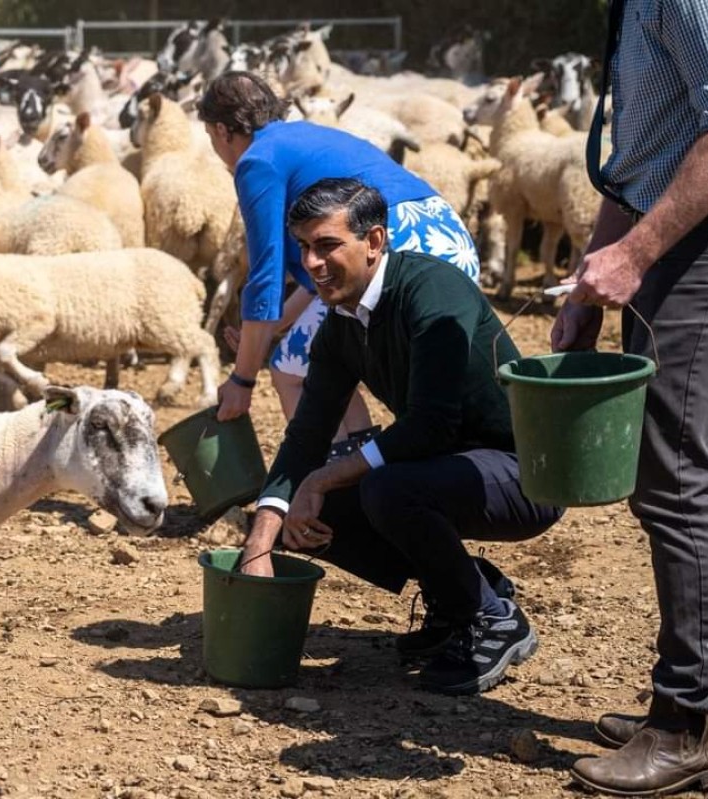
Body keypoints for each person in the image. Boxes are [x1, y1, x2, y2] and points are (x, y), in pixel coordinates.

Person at [239, 178, 564, 695]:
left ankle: (491, 618)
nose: (313, 263)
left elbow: (432, 423)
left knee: (384, 490)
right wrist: (259, 545)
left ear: (373, 242)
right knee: (300, 506)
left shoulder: (432, 291)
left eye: (327, 245)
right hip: (448, 465)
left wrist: (325, 477)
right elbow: (306, 436)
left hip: (526, 473)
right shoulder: (343, 322)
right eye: (304, 248)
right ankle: (460, 589)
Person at [556, 0, 708, 794]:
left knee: (678, 485)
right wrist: (592, 277)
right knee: (696, 482)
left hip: (702, 251)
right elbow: (642, 158)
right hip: (671, 244)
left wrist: (639, 254)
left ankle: (686, 722)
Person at [198, 72, 480, 425]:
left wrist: (242, 379)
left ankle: (335, 475)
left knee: (292, 370)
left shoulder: (257, 161)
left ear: (222, 131)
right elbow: (326, 267)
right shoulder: (305, 136)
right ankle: (359, 464)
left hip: (392, 245)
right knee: (334, 359)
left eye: (210, 135)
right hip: (445, 235)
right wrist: (273, 326)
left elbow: (265, 274)